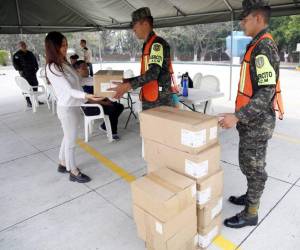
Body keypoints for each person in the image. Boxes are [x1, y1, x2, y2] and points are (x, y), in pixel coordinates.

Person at [218, 0, 284, 228]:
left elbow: (266, 92)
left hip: (257, 122)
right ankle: (250, 196)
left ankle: (251, 213)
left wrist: (237, 116)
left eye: (245, 19)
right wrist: (238, 113)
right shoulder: (256, 44)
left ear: (258, 18)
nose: (242, 23)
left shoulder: (264, 46)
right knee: (248, 164)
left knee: (254, 169)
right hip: (251, 120)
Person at [45, 31, 104, 183]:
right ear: (53, 47)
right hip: (67, 109)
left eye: (66, 45)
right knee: (71, 141)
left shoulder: (64, 63)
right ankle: (73, 171)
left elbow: (81, 81)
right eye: (62, 45)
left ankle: (62, 162)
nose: (65, 48)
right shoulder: (53, 68)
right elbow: (69, 90)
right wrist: (88, 96)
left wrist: (99, 80)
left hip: (74, 106)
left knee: (67, 136)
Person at [109, 7, 175, 110]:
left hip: (160, 101)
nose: (133, 29)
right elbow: (146, 74)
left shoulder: (157, 44)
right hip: (151, 97)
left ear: (145, 24)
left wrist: (128, 86)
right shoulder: (147, 45)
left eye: (135, 25)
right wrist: (127, 81)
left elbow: (153, 73)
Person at [73, 60, 124, 140]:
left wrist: (107, 98)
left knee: (119, 106)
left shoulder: (90, 79)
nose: (87, 69)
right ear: (77, 70)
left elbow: (100, 91)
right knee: (113, 108)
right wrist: (105, 103)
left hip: (99, 102)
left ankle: (105, 126)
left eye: (87, 67)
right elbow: (89, 99)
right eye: (84, 68)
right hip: (89, 107)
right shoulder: (78, 84)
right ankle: (112, 132)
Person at [13, 41, 44, 107]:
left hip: (32, 73)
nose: (24, 46)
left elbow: (35, 61)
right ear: (19, 46)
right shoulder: (17, 55)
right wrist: (21, 70)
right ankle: (28, 101)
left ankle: (36, 99)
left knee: (35, 84)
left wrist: (36, 68)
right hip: (25, 74)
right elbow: (15, 65)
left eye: (24, 44)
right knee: (26, 87)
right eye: (21, 45)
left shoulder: (30, 53)